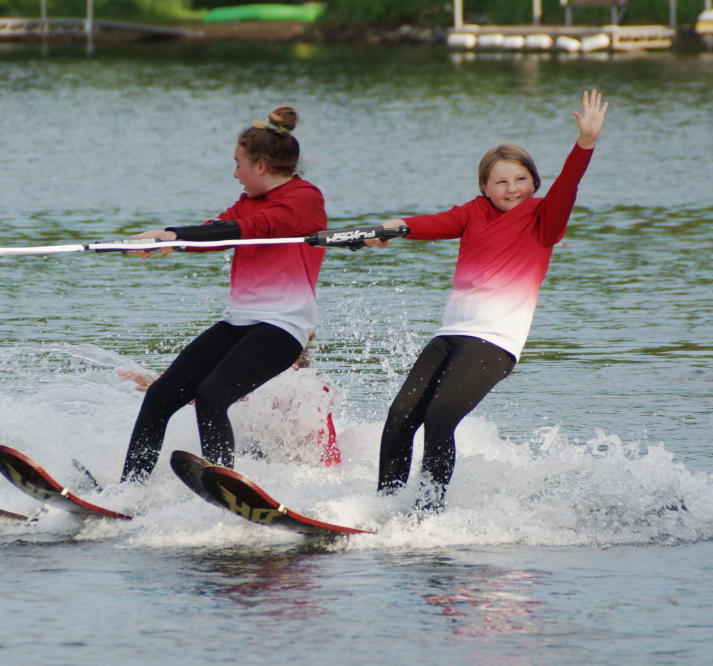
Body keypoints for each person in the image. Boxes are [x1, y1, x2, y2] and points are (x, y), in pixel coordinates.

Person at [365, 89, 608, 510]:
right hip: (451, 335)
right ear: (484, 186)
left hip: (494, 341)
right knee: (400, 418)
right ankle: (382, 510)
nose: (512, 189)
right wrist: (393, 227)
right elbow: (433, 223)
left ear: (534, 183)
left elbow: (569, 183)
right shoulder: (473, 213)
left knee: (440, 420)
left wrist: (585, 141)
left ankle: (428, 515)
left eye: (520, 180)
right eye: (501, 181)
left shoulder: (543, 220)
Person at [119, 105, 328, 481]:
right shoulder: (249, 201)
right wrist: (171, 242)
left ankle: (226, 489)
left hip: (283, 327)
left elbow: (251, 228)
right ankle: (127, 492)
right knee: (160, 398)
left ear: (261, 166)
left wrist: (173, 234)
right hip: (238, 322)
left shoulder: (304, 198)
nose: (235, 174)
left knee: (213, 396)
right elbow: (219, 230)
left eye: (238, 164)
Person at [117, 332, 342, 468]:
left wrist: (327, 477)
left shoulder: (309, 388)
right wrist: (159, 381)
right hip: (265, 455)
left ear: (291, 362)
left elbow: (325, 449)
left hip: (314, 463)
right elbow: (206, 386)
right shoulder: (254, 384)